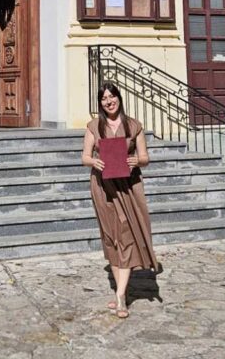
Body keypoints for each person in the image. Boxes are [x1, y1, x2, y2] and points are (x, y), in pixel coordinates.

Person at [82, 81, 159, 318]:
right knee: (111, 238)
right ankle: (120, 293)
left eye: (112, 96)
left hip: (128, 186)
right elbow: (85, 157)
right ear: (100, 103)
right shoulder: (94, 126)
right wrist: (94, 162)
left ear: (119, 98)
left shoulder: (134, 126)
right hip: (103, 186)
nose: (109, 101)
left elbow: (145, 157)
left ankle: (120, 296)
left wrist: (137, 161)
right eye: (104, 98)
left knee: (125, 236)